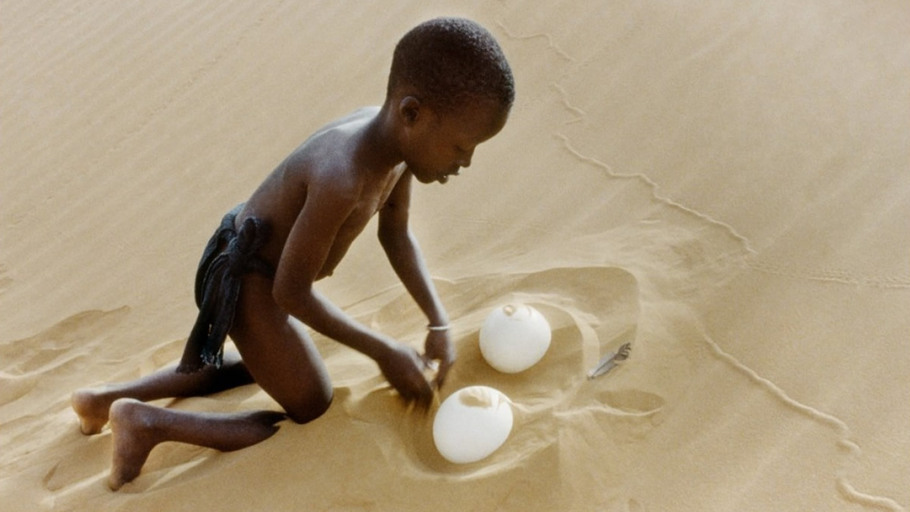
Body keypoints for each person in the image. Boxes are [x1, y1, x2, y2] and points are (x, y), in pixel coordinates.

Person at [70, 17, 514, 490]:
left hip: (258, 270)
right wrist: (384, 351)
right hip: (250, 282)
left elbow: (397, 236)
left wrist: (437, 320)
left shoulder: (397, 152)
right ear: (411, 114)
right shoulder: (343, 176)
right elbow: (292, 293)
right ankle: (145, 422)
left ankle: (101, 400)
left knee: (266, 364)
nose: (465, 162)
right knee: (312, 405)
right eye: (461, 147)